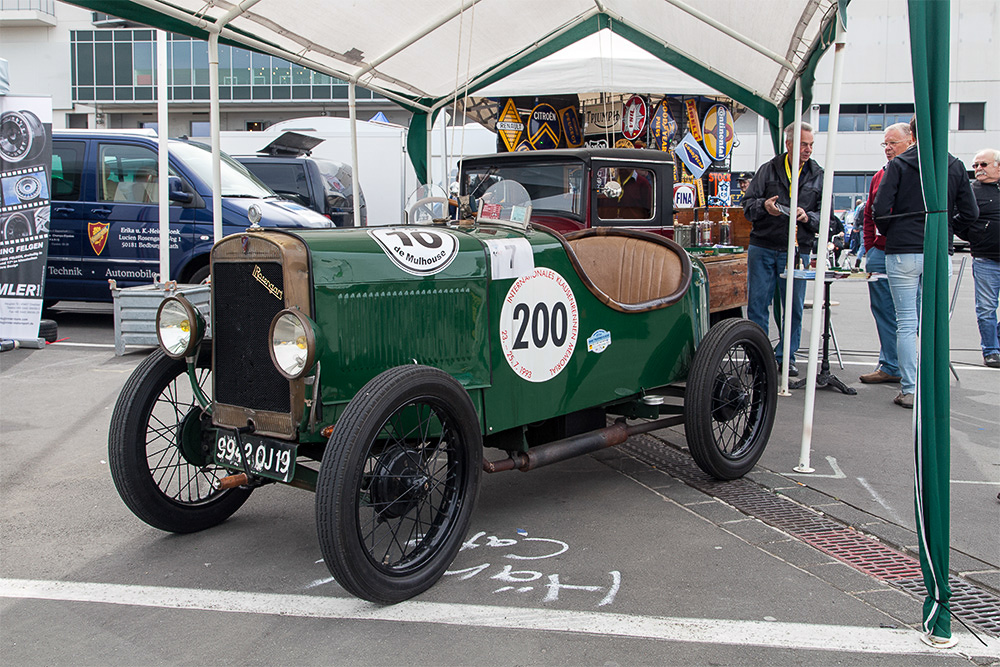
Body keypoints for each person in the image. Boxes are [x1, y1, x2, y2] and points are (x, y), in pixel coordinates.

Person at [873, 118, 978, 408]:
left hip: (902, 249)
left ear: (913, 134)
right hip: (936, 249)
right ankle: (932, 388)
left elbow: (880, 209)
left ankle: (910, 389)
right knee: (934, 322)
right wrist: (945, 228)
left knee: (905, 321)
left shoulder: (898, 165)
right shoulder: (954, 165)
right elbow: (971, 211)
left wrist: (894, 231)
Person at [743, 122, 824, 376]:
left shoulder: (819, 174)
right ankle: (758, 356)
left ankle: (786, 357)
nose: (808, 150)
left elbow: (828, 218)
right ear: (788, 144)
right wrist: (763, 206)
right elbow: (747, 205)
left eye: (811, 145)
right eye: (803, 144)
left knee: (794, 306)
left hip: (798, 249)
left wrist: (807, 217)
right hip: (764, 245)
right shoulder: (767, 170)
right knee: (757, 305)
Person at [859, 123, 913, 385]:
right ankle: (890, 363)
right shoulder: (880, 174)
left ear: (910, 140)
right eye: (886, 144)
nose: (888, 148)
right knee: (883, 309)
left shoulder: (915, 173)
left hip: (906, 250)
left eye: (893, 143)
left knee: (908, 313)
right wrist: (870, 246)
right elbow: (870, 211)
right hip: (880, 251)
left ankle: (907, 368)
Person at [953, 148, 1000, 368]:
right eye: (975, 165)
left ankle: (996, 340)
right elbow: (957, 220)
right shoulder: (971, 191)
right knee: (986, 307)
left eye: (983, 164)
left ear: (998, 166)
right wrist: (975, 236)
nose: (978, 169)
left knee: (987, 307)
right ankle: (991, 350)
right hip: (985, 259)